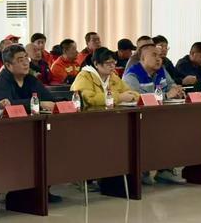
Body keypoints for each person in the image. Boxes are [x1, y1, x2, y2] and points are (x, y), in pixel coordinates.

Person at [122, 44, 187, 185]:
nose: (159, 59)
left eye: (160, 56)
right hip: (138, 120)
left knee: (176, 129)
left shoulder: (161, 70)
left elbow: (171, 85)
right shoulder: (131, 75)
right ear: (143, 58)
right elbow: (137, 98)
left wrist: (177, 91)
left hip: (160, 117)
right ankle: (142, 170)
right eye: (154, 55)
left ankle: (165, 170)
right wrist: (167, 95)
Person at [0, 45, 55, 112]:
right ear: (8, 65)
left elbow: (49, 99)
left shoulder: (31, 79)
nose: (26, 63)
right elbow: (7, 105)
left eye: (26, 58)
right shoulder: (0, 82)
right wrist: (38, 104)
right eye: (20, 60)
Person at [71, 47, 139, 109]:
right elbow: (90, 99)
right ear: (96, 64)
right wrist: (119, 97)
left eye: (114, 62)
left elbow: (131, 92)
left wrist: (134, 97)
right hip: (90, 114)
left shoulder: (113, 77)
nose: (112, 66)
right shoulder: (84, 76)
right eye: (108, 63)